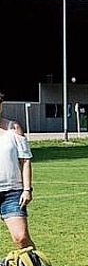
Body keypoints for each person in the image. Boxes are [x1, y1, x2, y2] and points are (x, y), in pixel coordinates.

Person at [0, 92, 36, 250]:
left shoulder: (13, 128)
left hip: (12, 193)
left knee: (21, 238)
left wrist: (27, 189)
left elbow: (25, 160)